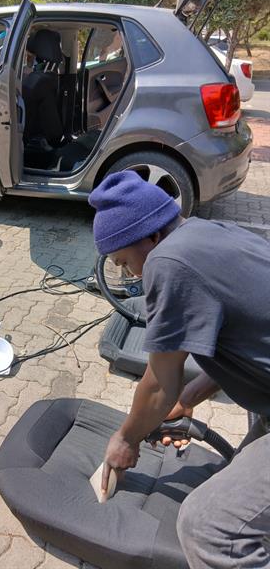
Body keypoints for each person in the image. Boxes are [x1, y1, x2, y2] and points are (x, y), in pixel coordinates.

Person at [88, 170, 270, 569]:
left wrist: (125, 440)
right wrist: (189, 398)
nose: (132, 275)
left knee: (208, 528)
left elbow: (158, 386)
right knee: (241, 474)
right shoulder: (210, 232)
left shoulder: (168, 263)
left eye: (125, 261)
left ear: (151, 236)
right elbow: (244, 342)